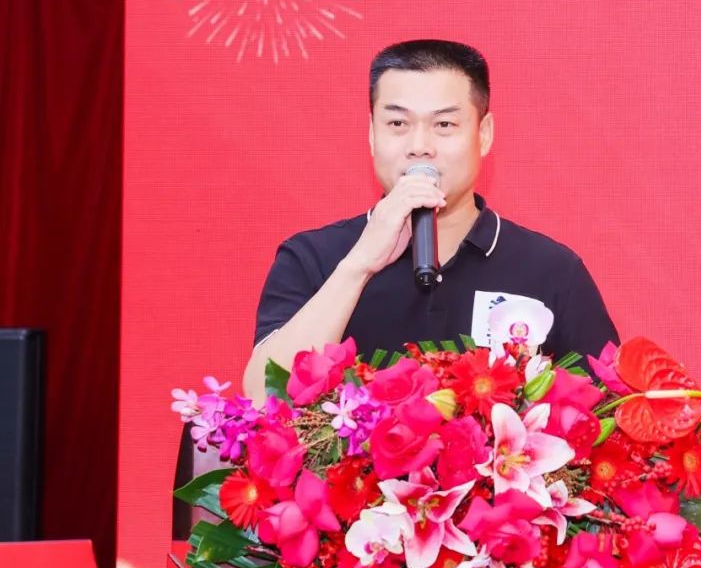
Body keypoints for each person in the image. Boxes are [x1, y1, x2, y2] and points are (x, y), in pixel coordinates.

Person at [242, 40, 618, 403]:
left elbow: (609, 411)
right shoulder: (312, 258)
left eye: (444, 125)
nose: (420, 146)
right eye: (397, 123)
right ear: (372, 134)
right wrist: (358, 266)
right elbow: (262, 396)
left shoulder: (551, 271)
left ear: (483, 134)